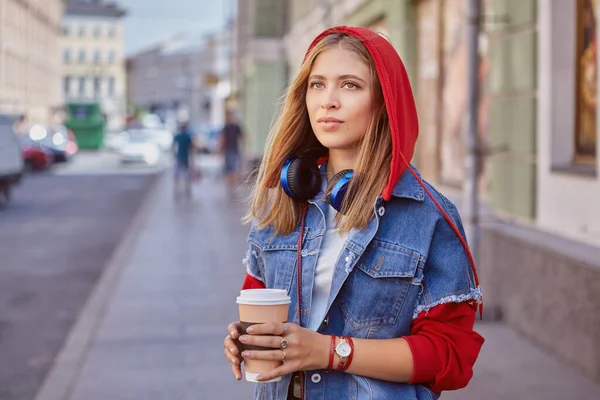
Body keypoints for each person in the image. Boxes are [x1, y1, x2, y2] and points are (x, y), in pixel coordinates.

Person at [223, 26, 484, 400]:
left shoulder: (428, 215)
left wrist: (330, 352)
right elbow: (259, 301)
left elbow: (451, 356)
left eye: (349, 85)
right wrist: (244, 339)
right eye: (317, 84)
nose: (328, 100)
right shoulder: (280, 202)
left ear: (383, 102)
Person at [219, 111, 244, 192]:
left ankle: (231, 184)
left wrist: (220, 148)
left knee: (231, 166)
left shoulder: (231, 127)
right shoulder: (232, 127)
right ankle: (231, 183)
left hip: (231, 149)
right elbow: (242, 136)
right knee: (231, 166)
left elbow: (223, 138)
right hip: (230, 149)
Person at [172, 122, 195, 198]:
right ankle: (187, 188)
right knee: (186, 174)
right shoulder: (187, 137)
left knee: (177, 174)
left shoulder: (178, 136)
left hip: (179, 157)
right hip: (185, 157)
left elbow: (173, 145)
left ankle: (177, 189)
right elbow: (191, 148)